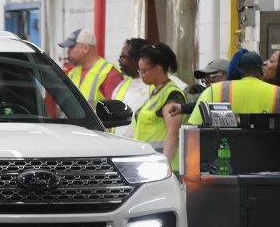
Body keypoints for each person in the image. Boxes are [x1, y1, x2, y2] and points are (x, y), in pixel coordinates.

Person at [188, 52, 280, 125]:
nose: (208, 81)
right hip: (269, 150)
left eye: (212, 77)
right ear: (262, 71)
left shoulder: (214, 90)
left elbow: (193, 126)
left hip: (224, 150)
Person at [132, 42, 186, 170]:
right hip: (149, 163)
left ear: (158, 68)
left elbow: (173, 133)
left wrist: (164, 166)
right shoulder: (155, 93)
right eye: (139, 71)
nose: (141, 75)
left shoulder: (171, 95)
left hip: (164, 166)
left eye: (144, 71)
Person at [58, 28, 123, 105]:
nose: (68, 51)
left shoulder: (109, 73)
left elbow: (115, 110)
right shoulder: (73, 73)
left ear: (86, 48)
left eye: (71, 47)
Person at [110, 37, 149, 137]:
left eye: (123, 56)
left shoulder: (156, 83)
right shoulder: (122, 86)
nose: (119, 60)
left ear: (137, 60)